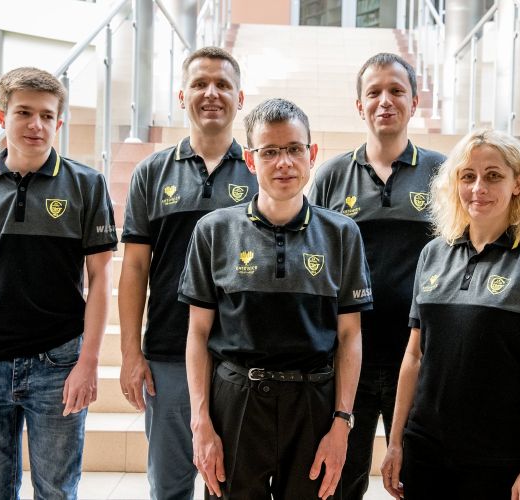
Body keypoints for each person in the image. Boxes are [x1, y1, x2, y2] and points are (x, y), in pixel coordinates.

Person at [0, 67, 116, 499]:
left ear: (59, 122)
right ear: (2, 117)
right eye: (24, 113)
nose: (36, 125)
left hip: (58, 362)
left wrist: (88, 362)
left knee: (57, 491)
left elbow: (101, 276)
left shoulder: (86, 184)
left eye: (47, 116)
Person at [179, 98, 373, 499]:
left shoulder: (342, 233)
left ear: (311, 155)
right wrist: (201, 421)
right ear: (251, 160)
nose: (284, 162)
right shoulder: (213, 231)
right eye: (269, 151)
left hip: (314, 405)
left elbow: (349, 335)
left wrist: (342, 421)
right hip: (236, 401)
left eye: (294, 149)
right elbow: (198, 333)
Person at [381, 129, 520, 499]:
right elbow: (414, 356)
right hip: (426, 449)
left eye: (493, 176)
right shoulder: (433, 254)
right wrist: (395, 442)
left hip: (500, 456)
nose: (478, 188)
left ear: (518, 184)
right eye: (467, 176)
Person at [119, 46, 257, 499]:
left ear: (240, 98)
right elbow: (135, 267)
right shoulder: (151, 173)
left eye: (222, 85)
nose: (211, 93)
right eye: (199, 84)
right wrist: (130, 353)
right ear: (182, 96)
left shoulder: (259, 171)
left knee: (232, 487)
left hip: (241, 357)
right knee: (170, 487)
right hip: (169, 353)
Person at [308, 52, 446, 499]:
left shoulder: (443, 173)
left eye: (396, 91)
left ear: (415, 102)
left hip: (420, 358)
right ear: (359, 105)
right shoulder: (332, 176)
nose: (385, 101)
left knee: (418, 481)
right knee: (341, 483)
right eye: (374, 92)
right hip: (350, 359)